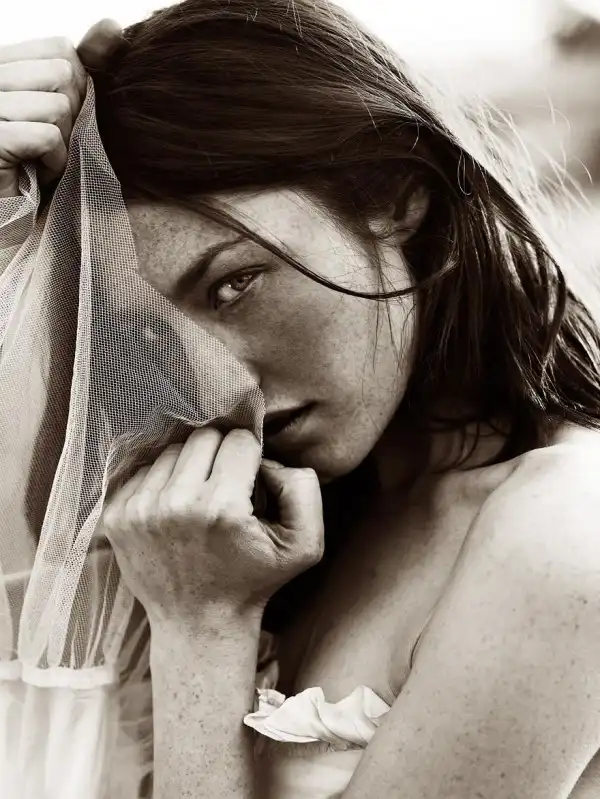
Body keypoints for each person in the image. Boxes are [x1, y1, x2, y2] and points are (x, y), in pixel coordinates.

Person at [1, 2, 599, 797]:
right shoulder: (234, 529)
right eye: (149, 334)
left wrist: (202, 630)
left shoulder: (559, 534)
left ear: (392, 196)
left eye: (235, 283)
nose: (215, 380)